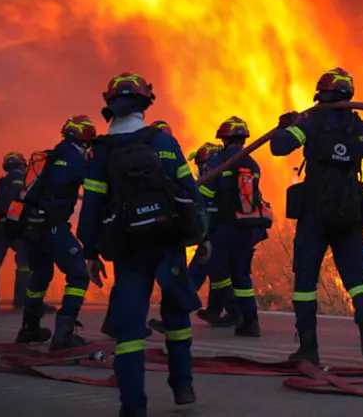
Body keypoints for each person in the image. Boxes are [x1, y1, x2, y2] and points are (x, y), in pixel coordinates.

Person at [77, 72, 211, 417]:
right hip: (168, 242)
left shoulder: (101, 153)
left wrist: (89, 252)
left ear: (111, 108)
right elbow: (191, 194)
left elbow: (91, 207)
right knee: (176, 314)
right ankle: (183, 387)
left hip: (128, 248)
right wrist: (203, 237)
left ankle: (133, 405)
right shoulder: (164, 143)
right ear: (145, 105)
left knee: (130, 327)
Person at [272, 67, 363, 367]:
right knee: (357, 280)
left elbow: (279, 147)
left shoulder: (310, 123)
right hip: (348, 214)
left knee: (305, 282)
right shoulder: (362, 128)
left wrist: (285, 126)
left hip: (315, 214)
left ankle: (309, 348)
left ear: (320, 94)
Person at [13, 115, 97, 350]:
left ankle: (29, 328)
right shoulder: (71, 156)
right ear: (84, 140)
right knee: (79, 274)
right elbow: (88, 181)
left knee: (40, 275)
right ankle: (63, 334)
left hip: (33, 226)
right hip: (51, 226)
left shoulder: (55, 154)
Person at [199, 116, 267, 337]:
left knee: (209, 267)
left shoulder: (219, 161)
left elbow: (205, 193)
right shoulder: (252, 164)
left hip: (223, 226)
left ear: (225, 139)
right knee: (242, 277)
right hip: (246, 227)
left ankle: (176, 315)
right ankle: (250, 322)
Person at [0, 152, 53, 313]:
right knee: (25, 262)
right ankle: (22, 301)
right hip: (13, 228)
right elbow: (19, 199)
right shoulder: (20, 179)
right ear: (22, 165)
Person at [188, 142, 235, 327]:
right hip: (227, 233)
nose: (200, 169)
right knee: (219, 273)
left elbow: (204, 209)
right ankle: (222, 310)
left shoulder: (213, 182)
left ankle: (175, 312)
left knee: (196, 270)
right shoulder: (226, 179)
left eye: (201, 164)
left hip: (218, 233)